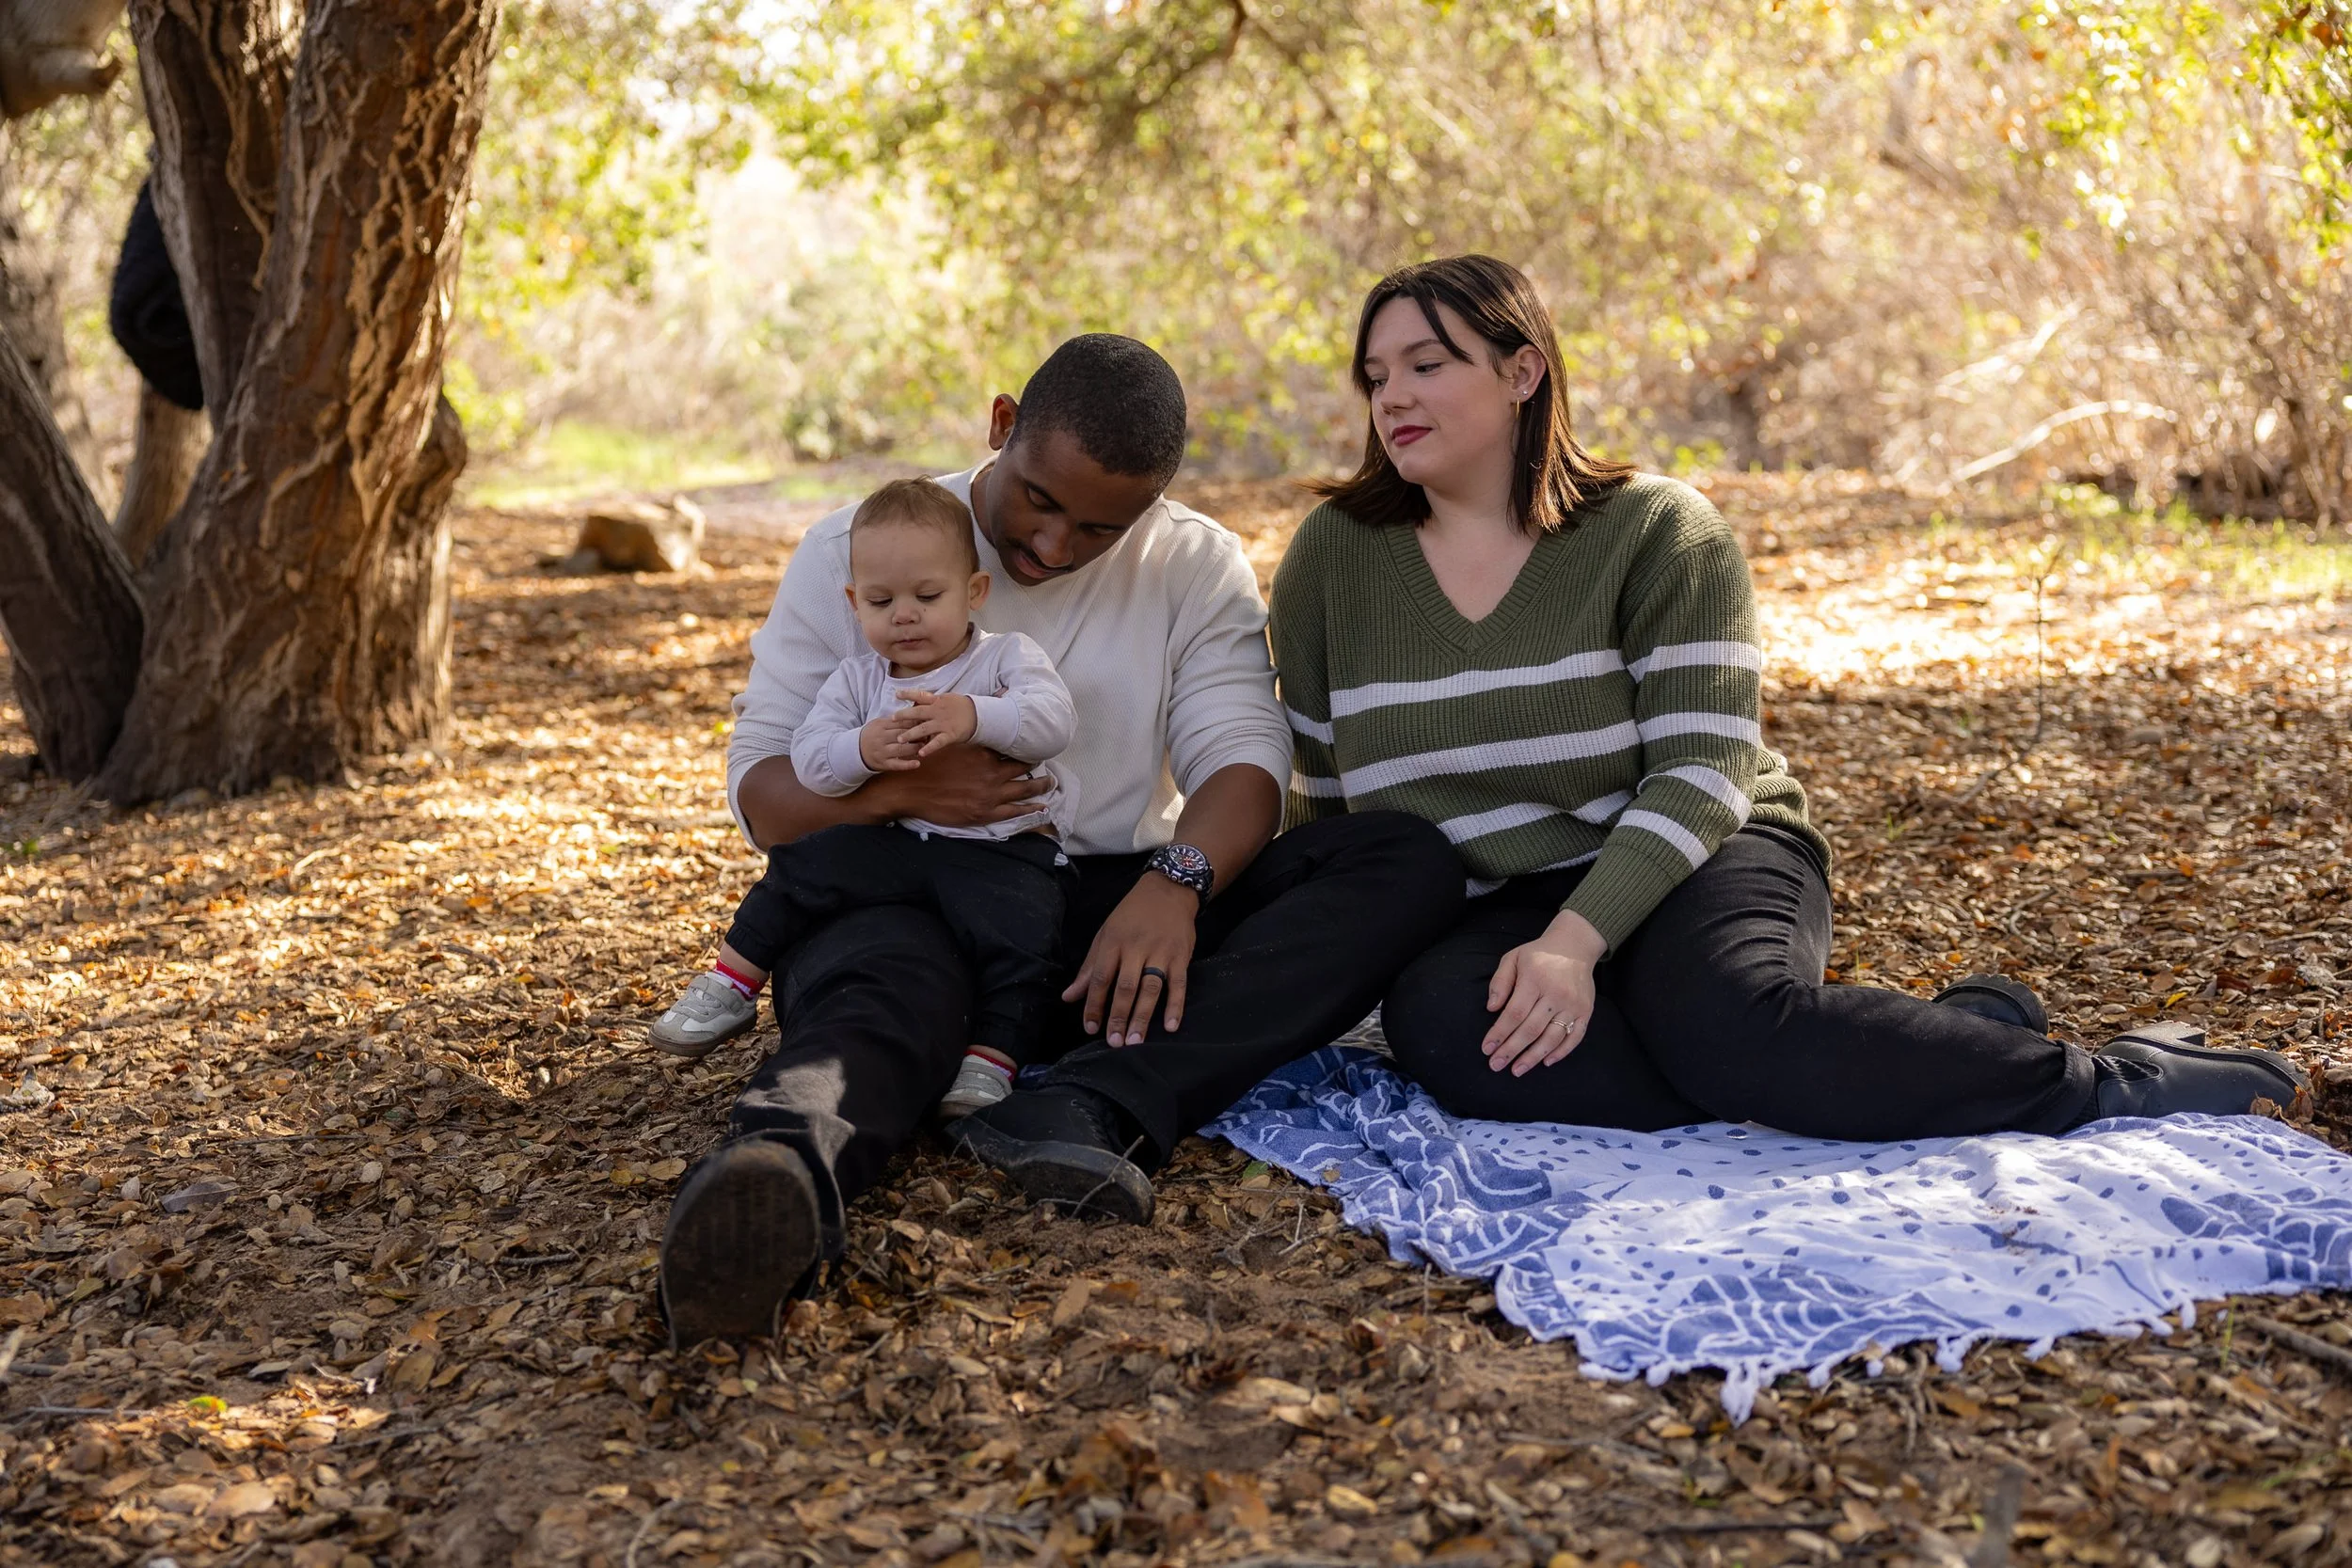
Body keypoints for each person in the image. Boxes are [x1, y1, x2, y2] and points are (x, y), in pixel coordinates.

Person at [1271, 253, 2302, 1139]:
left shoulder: (1657, 532)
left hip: (1695, 851)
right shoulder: (1333, 557)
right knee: (1451, 1035)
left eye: (1425, 363)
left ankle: (2102, 1082)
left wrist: (1572, 947)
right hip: (1493, 901)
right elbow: (1323, 798)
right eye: (1374, 376)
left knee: (1725, 1022)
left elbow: (1700, 770)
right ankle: (1949, 1037)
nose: (1391, 397)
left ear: (1521, 370)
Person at [660, 334, 1464, 1345]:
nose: (1054, 545)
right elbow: (766, 795)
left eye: (1101, 526)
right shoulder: (863, 551)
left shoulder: (1190, 561)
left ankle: (1088, 1104)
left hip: (1103, 920)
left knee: (1400, 860)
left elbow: (1243, 761)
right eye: (1039, 501)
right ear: (1001, 427)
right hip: (914, 894)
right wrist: (904, 794)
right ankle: (771, 1176)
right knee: (872, 983)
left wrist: (1177, 881)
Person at [646, 478, 1078, 1120]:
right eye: (881, 600)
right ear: (854, 603)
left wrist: (974, 716)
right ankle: (731, 982)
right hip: (895, 840)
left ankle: (990, 1061)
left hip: (999, 852)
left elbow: (1053, 720)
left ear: (974, 592)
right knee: (802, 867)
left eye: (927, 596)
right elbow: (812, 761)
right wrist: (864, 752)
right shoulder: (857, 681)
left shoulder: (1003, 662)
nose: (904, 614)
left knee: (1027, 933)